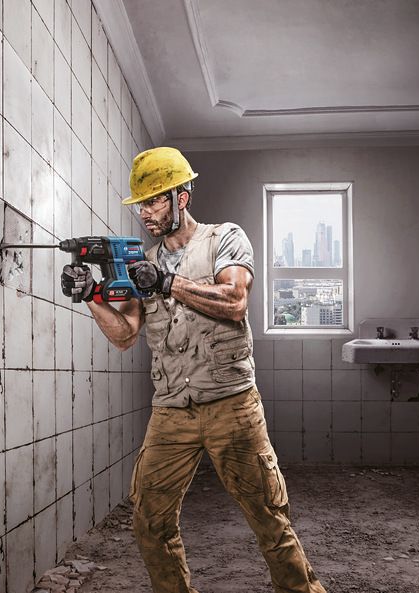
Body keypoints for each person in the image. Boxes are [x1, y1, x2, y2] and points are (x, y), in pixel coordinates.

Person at [61, 147, 327, 593]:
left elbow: (235, 302)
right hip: (171, 413)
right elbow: (125, 334)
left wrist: (167, 282)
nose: (145, 213)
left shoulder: (225, 239)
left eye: (155, 201)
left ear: (182, 197)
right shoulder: (137, 261)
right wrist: (91, 295)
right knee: (149, 521)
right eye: (141, 204)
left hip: (232, 406)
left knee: (268, 519)